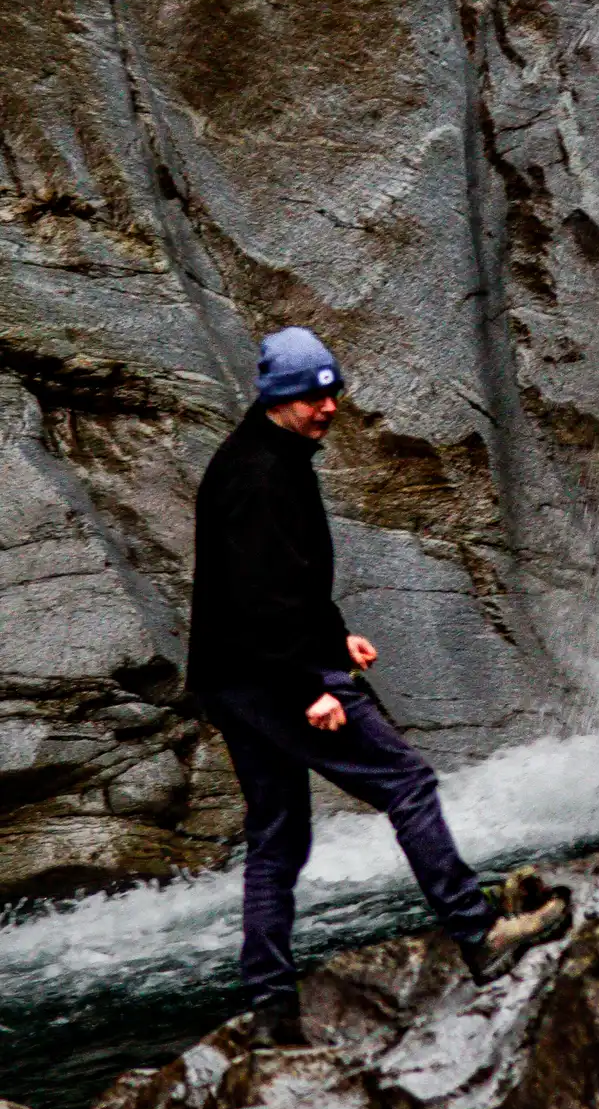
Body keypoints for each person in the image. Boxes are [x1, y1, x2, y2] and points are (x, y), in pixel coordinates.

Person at [187, 325, 570, 1045]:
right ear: (279, 397)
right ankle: (479, 933)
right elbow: (260, 600)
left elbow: (285, 579)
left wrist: (335, 636)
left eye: (332, 392)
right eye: (311, 396)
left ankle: (272, 1009)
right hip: (272, 674)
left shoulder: (263, 456)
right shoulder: (263, 475)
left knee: (277, 838)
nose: (328, 406)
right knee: (408, 782)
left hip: (234, 676)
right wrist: (312, 685)